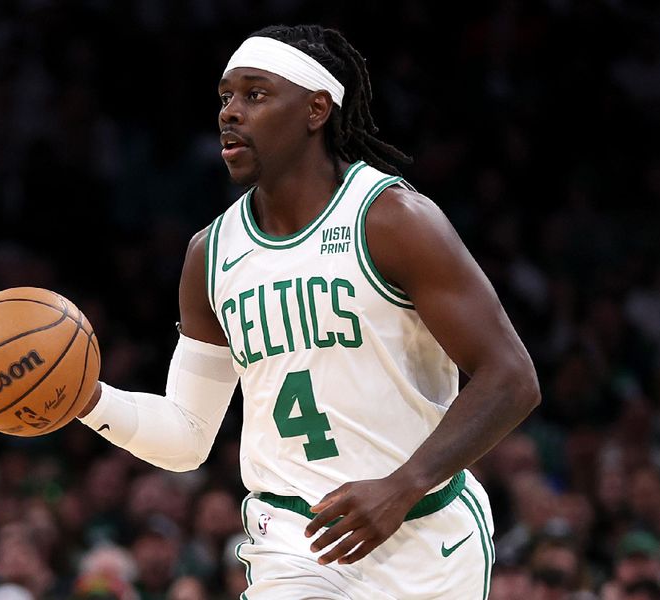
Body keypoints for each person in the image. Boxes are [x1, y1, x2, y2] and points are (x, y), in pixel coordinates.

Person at [77, 24, 540, 599]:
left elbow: (512, 378)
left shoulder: (392, 219)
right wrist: (87, 399)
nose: (230, 113)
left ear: (317, 108)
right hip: (292, 542)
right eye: (225, 97)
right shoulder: (210, 255)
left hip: (424, 535)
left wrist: (403, 486)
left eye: (255, 94)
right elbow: (189, 435)